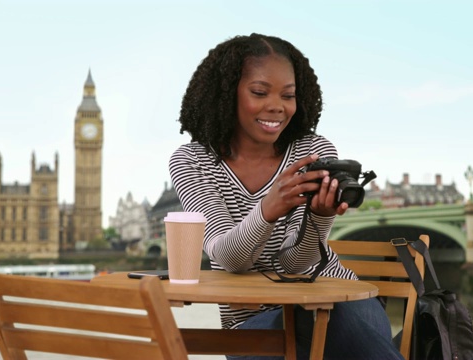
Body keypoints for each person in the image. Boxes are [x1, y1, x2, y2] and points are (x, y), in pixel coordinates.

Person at [169, 33, 403, 360]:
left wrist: (321, 216)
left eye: (288, 95)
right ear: (225, 94)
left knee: (322, 313)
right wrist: (267, 209)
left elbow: (296, 265)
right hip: (252, 324)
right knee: (308, 319)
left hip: (342, 304)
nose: (277, 107)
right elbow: (229, 257)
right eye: (259, 92)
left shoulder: (314, 151)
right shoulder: (193, 162)